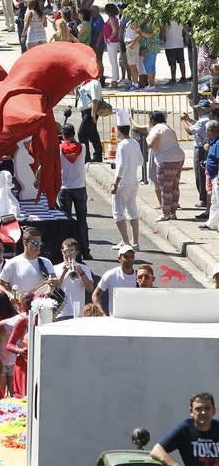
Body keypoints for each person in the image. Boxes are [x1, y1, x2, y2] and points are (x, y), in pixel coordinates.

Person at [151, 392, 219, 466]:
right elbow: (156, 450)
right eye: (198, 409)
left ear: (214, 411)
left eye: (207, 408)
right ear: (191, 411)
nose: (203, 412)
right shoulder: (184, 429)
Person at [111, 111, 143, 251]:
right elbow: (141, 161)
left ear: (119, 130)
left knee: (118, 212)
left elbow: (122, 166)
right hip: (133, 182)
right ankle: (135, 242)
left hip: (123, 184)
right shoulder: (134, 142)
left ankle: (126, 242)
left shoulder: (122, 145)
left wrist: (116, 183)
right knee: (132, 211)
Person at [57, 124, 91, 259]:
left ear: (63, 134)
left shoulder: (59, 148)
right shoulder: (83, 147)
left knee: (66, 221)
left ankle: (68, 251)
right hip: (80, 187)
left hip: (64, 188)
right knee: (82, 220)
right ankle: (85, 251)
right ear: (74, 133)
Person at [0, 226, 58, 297]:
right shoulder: (12, 263)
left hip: (42, 306)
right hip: (20, 306)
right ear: (25, 243)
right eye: (35, 243)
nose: (38, 246)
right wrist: (10, 295)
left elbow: (54, 282)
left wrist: (51, 287)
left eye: (39, 243)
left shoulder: (46, 262)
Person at [146, 110, 185, 221]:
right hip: (179, 157)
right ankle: (173, 212)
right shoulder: (168, 127)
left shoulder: (156, 128)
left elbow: (152, 144)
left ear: (152, 120)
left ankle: (165, 213)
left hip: (165, 160)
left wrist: (147, 138)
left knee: (165, 188)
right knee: (174, 186)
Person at [53, 238, 94, 320]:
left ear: (77, 252)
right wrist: (64, 273)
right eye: (65, 252)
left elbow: (90, 289)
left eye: (71, 251)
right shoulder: (54, 268)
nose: (68, 255)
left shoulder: (84, 268)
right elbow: (54, 290)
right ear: (62, 251)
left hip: (78, 313)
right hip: (61, 313)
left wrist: (82, 273)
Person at [181, 99, 211, 212]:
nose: (197, 111)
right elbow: (197, 126)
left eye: (198, 109)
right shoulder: (207, 119)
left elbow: (190, 131)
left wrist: (183, 121)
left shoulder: (203, 120)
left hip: (200, 149)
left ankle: (203, 198)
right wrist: (189, 120)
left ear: (202, 109)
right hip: (204, 147)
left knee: (200, 173)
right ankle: (204, 198)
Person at [92, 245, 136, 316]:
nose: (130, 259)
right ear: (119, 259)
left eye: (132, 256)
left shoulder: (139, 277)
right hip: (115, 320)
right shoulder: (110, 275)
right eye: (126, 257)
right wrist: (101, 312)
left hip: (134, 319)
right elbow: (95, 295)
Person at [5, 291, 34, 398]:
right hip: (24, 364)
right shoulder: (22, 321)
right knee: (24, 397)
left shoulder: (46, 319)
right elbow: (9, 345)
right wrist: (20, 351)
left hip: (40, 362)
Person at [76, 78, 103, 163]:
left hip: (90, 111)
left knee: (81, 134)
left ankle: (86, 157)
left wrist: (93, 113)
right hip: (85, 111)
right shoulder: (84, 82)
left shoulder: (94, 83)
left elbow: (95, 100)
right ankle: (97, 156)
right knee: (92, 134)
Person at [199, 120, 219, 232]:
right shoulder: (214, 142)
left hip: (217, 177)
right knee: (215, 202)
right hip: (213, 176)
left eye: (207, 130)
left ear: (211, 131)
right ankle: (211, 223)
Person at [103, 3, 120, 88]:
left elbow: (115, 30)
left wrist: (109, 39)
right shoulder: (113, 18)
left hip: (112, 42)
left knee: (113, 61)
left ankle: (114, 80)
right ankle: (115, 78)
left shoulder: (112, 19)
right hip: (112, 42)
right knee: (113, 61)